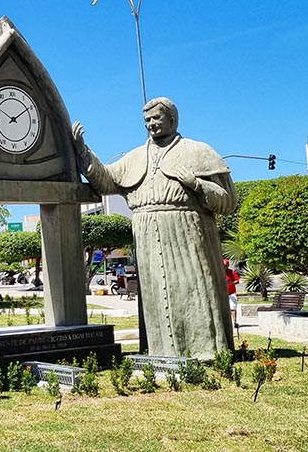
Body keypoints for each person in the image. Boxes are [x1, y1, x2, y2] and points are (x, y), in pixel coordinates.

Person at [72, 97, 237, 359]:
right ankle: (160, 351)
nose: (151, 124)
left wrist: (196, 184)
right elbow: (105, 181)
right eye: (147, 120)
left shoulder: (199, 152)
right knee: (156, 299)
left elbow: (228, 201)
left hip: (187, 235)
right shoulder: (136, 156)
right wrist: (83, 151)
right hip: (147, 235)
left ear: (172, 119)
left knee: (191, 292)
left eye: (156, 118)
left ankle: (203, 351)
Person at [225, 258, 240, 328]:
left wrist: (231, 283)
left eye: (226, 265)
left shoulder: (232, 272)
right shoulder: (219, 273)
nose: (225, 267)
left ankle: (235, 322)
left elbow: (237, 281)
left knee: (233, 307)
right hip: (223, 293)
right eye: (224, 265)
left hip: (231, 292)